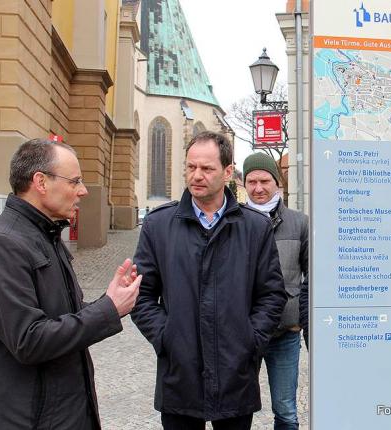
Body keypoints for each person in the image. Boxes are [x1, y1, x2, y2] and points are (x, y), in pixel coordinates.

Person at [0, 138, 141, 429]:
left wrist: (110, 300)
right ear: (40, 182)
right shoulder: (1, 244)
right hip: (30, 421)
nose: (83, 191)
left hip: (67, 413)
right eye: (74, 181)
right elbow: (29, 340)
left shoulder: (46, 235)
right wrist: (108, 310)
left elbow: (66, 316)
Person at [131, 131, 287, 429]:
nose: (197, 175)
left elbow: (272, 294)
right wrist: (166, 336)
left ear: (228, 172)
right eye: (191, 167)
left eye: (207, 168)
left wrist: (249, 340)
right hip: (180, 373)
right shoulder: (158, 225)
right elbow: (142, 294)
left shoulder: (254, 228)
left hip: (235, 373)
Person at [243, 152, 308, 430]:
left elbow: (312, 276)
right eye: (251, 181)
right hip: (242, 333)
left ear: (277, 182)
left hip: (285, 332)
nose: (258, 188)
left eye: (264, 180)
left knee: (285, 410)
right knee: (236, 409)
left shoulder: (299, 222)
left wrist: (301, 319)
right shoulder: (234, 221)